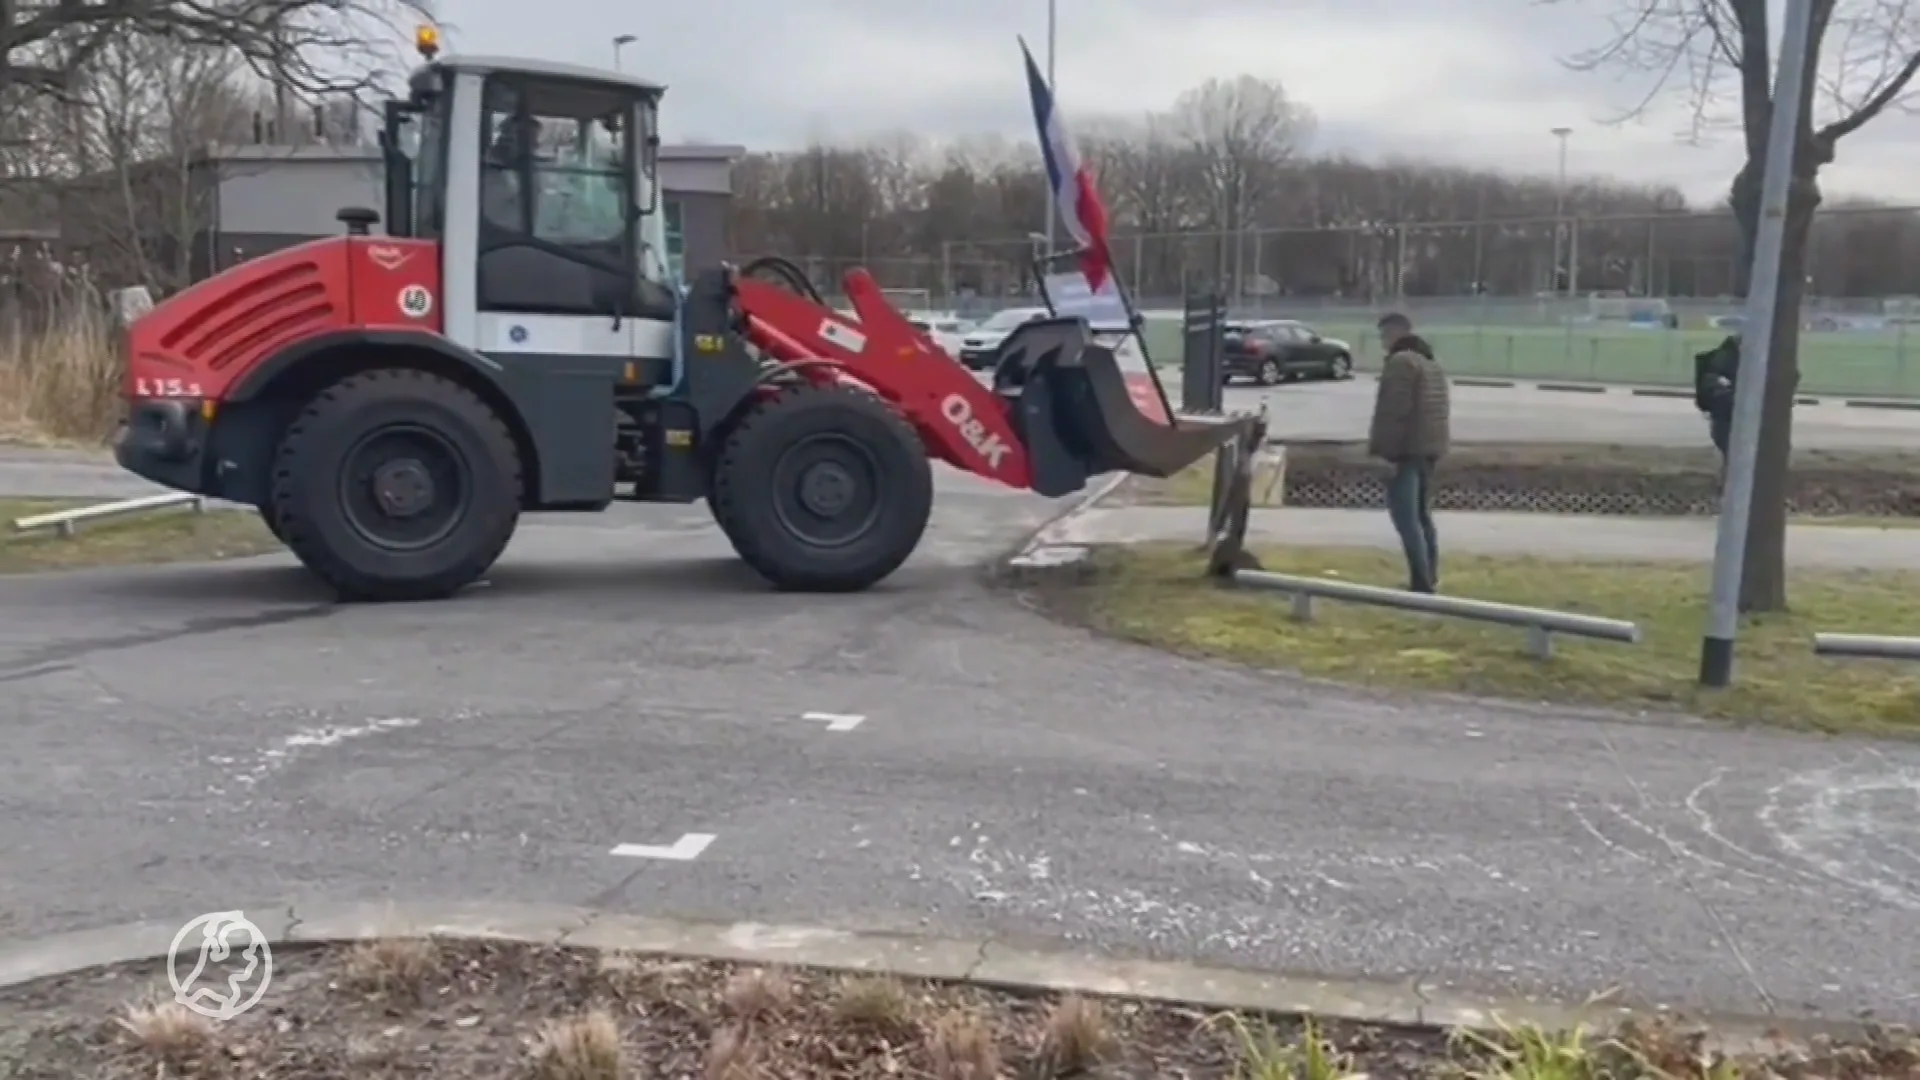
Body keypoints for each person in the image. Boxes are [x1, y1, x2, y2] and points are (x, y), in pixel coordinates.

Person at [1367, 312, 1451, 593]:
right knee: (1423, 516)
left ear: (1394, 333)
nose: (1382, 342)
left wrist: (1385, 455)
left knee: (1406, 518)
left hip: (1404, 451)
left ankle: (1421, 582)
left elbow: (1394, 413)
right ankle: (1431, 575)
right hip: (1428, 449)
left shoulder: (1401, 363)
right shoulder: (1429, 363)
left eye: (1383, 335)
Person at [1694, 334, 1740, 462]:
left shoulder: (1726, 356)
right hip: (1726, 413)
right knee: (1730, 450)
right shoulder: (1726, 357)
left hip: (1725, 413)